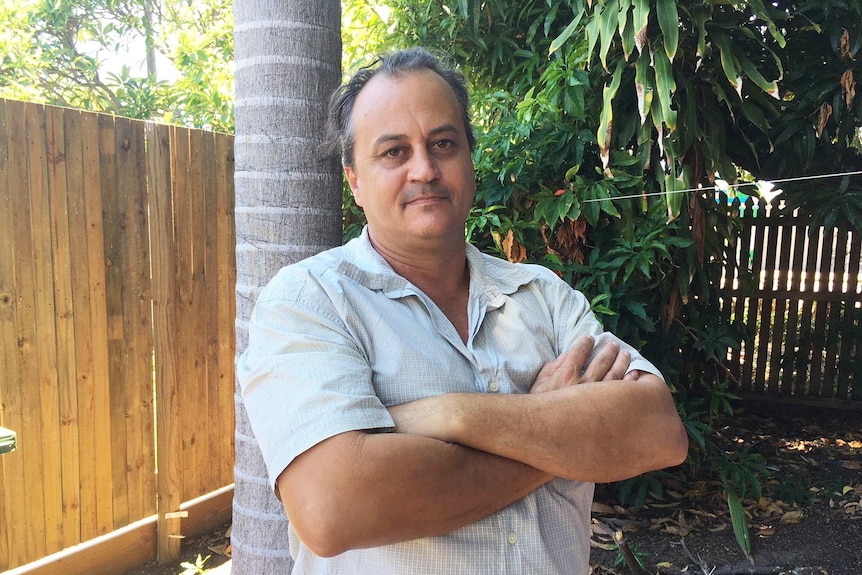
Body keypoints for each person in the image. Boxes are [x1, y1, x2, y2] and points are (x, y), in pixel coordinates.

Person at [236, 47, 688, 575]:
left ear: (470, 158)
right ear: (354, 180)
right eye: (393, 152)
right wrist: (556, 435)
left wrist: (447, 414)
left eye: (443, 144)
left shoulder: (542, 295)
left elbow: (657, 431)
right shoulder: (310, 300)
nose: (424, 169)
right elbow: (334, 508)